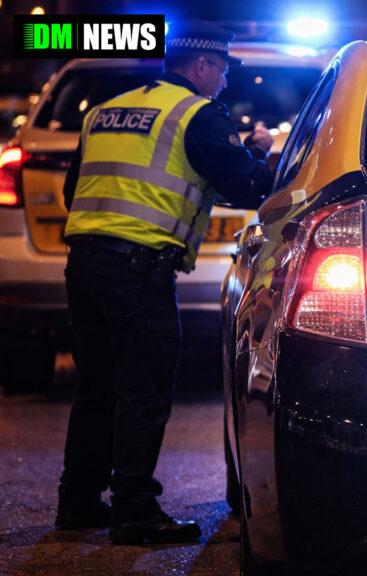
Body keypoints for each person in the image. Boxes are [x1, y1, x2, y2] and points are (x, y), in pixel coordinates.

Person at [54, 20, 274, 544]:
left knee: (97, 388)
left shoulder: (106, 111)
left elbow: (72, 191)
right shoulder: (198, 115)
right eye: (221, 70)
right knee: (143, 389)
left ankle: (78, 503)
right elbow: (244, 184)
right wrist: (260, 150)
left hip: (83, 265)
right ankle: (134, 512)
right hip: (137, 271)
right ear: (200, 65)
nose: (223, 82)